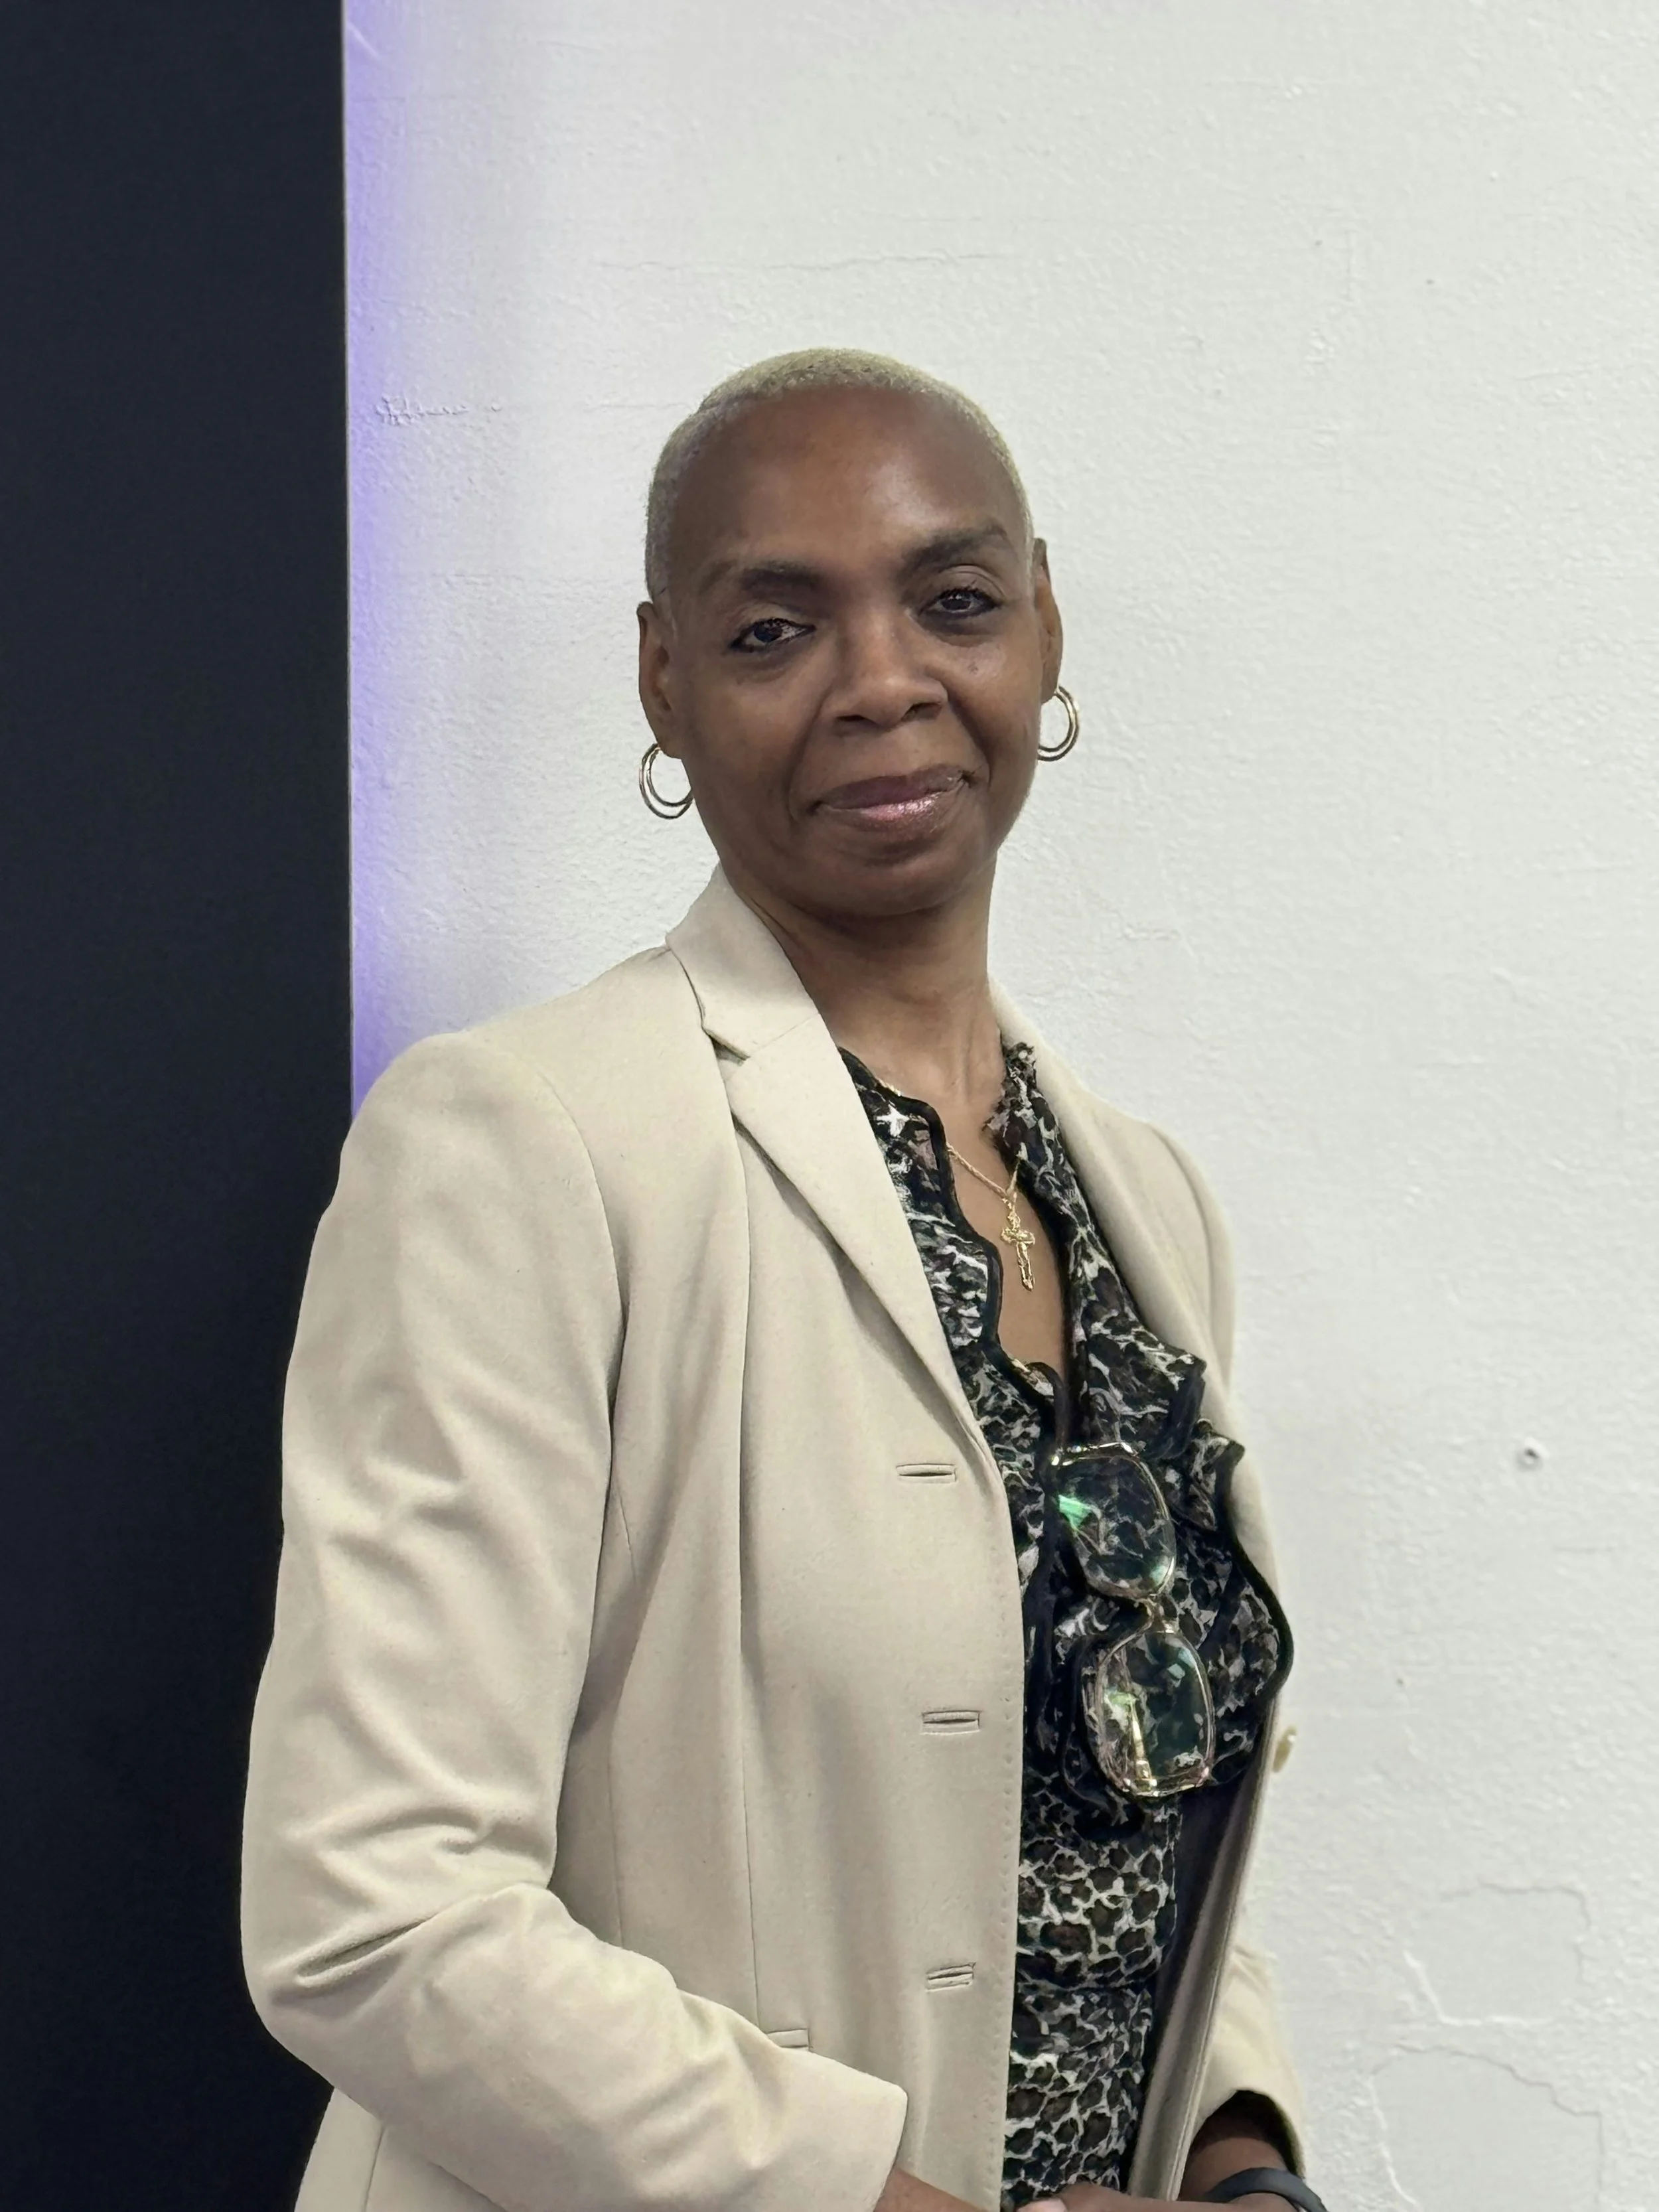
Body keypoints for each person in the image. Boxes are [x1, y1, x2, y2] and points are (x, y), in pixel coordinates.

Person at [243, 350, 1323, 2212]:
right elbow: (374, 1907)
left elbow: (1125, 1802)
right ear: (664, 681)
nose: (883, 681)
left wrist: (1242, 2165)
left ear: (1043, 629)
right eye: (772, 630)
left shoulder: (1145, 1201)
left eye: (953, 601)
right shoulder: (525, 1143)